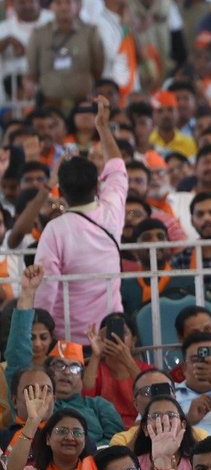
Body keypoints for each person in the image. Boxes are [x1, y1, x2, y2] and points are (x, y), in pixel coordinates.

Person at [32, 96, 127, 342]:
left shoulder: (54, 230)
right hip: (110, 335)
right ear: (97, 185)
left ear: (60, 191)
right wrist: (102, 127)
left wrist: (44, 335)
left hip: (68, 341)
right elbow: (117, 168)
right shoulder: (112, 212)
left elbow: (46, 288)